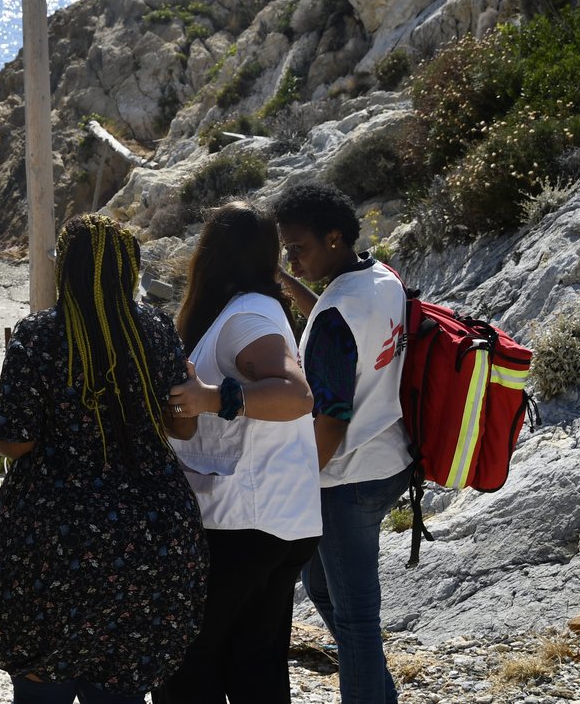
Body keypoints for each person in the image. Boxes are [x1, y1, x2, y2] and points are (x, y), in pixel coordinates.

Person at [0, 214, 209, 704]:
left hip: (55, 538)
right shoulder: (155, 329)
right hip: (152, 534)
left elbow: (15, 440)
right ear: (129, 270)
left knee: (44, 682)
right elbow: (181, 424)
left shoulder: (39, 334)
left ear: (66, 270)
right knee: (121, 684)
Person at [152, 201, 320, 704]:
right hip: (273, 517)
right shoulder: (246, 310)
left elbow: (296, 395)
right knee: (253, 666)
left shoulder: (247, 315)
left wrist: (211, 398)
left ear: (210, 253)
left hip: (245, 522)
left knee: (186, 663)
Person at [272, 182, 411, 704]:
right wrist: (287, 282)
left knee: (354, 622)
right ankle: (382, 694)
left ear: (333, 238)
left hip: (343, 477)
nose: (292, 257)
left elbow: (330, 419)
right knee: (323, 587)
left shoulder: (335, 316)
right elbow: (340, 326)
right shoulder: (380, 278)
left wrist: (297, 487)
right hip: (389, 460)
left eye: (298, 248)